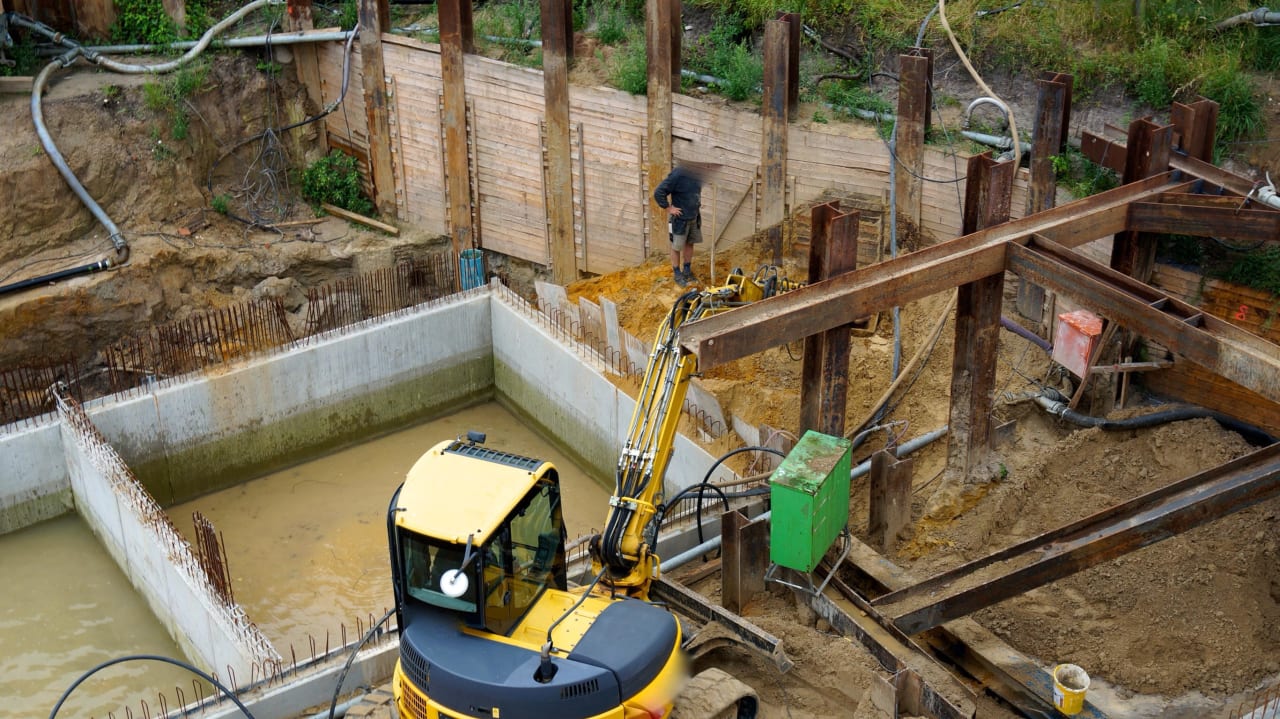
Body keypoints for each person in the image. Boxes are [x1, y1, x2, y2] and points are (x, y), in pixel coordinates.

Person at [653, 161, 712, 287]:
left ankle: (687, 270)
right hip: (680, 220)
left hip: (694, 217)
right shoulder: (678, 174)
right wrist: (669, 208)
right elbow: (659, 192)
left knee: (690, 243)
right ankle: (677, 273)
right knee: (677, 246)